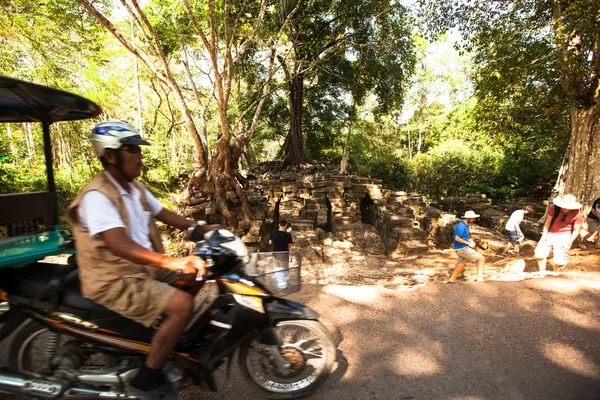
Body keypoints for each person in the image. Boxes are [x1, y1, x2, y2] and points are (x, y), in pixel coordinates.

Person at [66, 121, 215, 400]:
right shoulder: (97, 196)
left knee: (200, 270)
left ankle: (158, 336)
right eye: (132, 149)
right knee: (182, 305)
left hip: (142, 270)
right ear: (110, 155)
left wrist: (205, 229)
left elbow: (167, 215)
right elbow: (117, 243)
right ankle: (147, 381)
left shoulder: (135, 188)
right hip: (113, 279)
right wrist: (170, 261)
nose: (139, 155)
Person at [534, 194, 583, 274]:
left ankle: (556, 273)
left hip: (564, 235)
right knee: (539, 254)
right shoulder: (554, 207)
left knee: (560, 259)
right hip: (551, 232)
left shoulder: (578, 213)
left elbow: (576, 229)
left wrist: (569, 242)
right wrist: (544, 234)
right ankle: (541, 272)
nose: (564, 208)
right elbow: (548, 221)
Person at [448, 210, 485, 283]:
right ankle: (480, 279)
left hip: (460, 248)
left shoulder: (464, 225)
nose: (474, 220)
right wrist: (468, 243)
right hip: (462, 248)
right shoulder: (461, 226)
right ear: (468, 218)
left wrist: (469, 240)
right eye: (473, 218)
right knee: (481, 258)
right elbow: (457, 238)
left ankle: (451, 280)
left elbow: (463, 237)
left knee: (462, 263)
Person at [269, 218, 293, 288]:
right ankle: (283, 284)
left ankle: (277, 283)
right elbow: (289, 246)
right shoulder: (288, 235)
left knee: (276, 269)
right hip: (284, 255)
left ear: (278, 225)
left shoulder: (273, 233)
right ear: (286, 225)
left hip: (275, 254)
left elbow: (270, 242)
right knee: (284, 269)